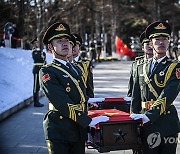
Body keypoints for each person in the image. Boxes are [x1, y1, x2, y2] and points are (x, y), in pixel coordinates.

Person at [39, 22, 109, 154]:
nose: (65, 44)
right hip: (60, 129)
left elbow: (80, 95)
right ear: (50, 47)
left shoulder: (75, 68)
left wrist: (94, 102)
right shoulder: (48, 71)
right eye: (59, 41)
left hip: (77, 128)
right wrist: (88, 121)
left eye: (67, 41)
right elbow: (61, 102)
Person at [130, 21, 180, 154]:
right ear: (150, 44)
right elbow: (136, 96)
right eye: (157, 39)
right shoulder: (141, 66)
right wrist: (133, 119)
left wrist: (149, 116)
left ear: (169, 42)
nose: (161, 43)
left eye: (165, 39)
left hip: (166, 123)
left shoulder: (174, 66)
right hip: (146, 124)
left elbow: (169, 94)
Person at [127, 31, 153, 97]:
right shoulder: (136, 64)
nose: (150, 47)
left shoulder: (161, 63)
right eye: (147, 44)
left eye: (152, 44)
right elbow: (132, 86)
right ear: (142, 47)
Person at [72, 33, 94, 98]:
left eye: (75, 45)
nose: (73, 48)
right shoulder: (63, 63)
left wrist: (91, 101)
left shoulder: (86, 64)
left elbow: (89, 85)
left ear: (79, 47)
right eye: (71, 45)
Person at [31, 38, 46, 107]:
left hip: (41, 70)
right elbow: (38, 58)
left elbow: (44, 60)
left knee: (39, 86)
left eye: (37, 42)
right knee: (36, 87)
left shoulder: (41, 52)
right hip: (37, 70)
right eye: (36, 43)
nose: (37, 44)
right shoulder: (34, 52)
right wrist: (42, 54)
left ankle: (37, 101)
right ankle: (36, 102)